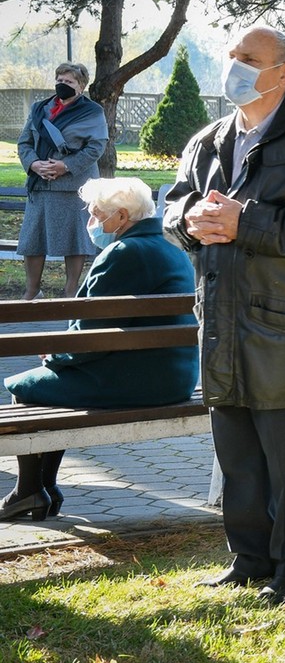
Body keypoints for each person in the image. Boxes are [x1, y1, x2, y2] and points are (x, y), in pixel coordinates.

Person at [164, 25, 285, 608]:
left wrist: (245, 223)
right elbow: (173, 201)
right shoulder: (209, 140)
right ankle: (248, 561)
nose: (236, 67)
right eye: (232, 56)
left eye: (250, 58)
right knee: (238, 455)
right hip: (222, 319)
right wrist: (188, 221)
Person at [1, 178, 198, 522]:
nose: (91, 223)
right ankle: (43, 488)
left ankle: (30, 490)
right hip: (173, 374)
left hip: (140, 379)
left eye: (96, 215)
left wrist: (56, 357)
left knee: (26, 388)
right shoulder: (169, 245)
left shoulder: (125, 253)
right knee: (47, 383)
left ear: (121, 216)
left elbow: (91, 335)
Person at [17, 63, 108, 300]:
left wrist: (65, 166)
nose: (61, 84)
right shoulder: (39, 109)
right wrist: (34, 164)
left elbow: (96, 147)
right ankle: (32, 290)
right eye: (59, 79)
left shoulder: (93, 111)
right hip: (41, 185)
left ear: (80, 86)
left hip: (73, 186)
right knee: (32, 240)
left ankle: (70, 292)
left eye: (68, 81)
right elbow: (24, 143)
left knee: (75, 241)